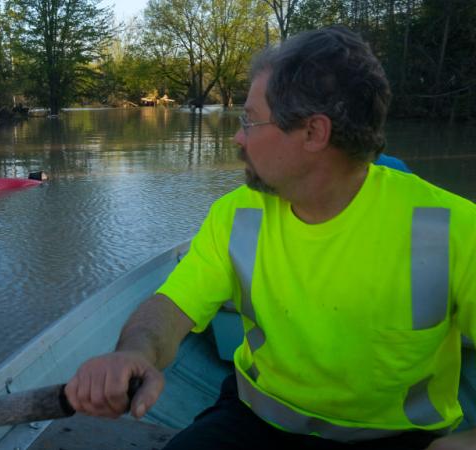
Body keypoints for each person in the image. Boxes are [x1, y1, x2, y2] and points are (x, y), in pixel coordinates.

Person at [64, 26, 476, 450]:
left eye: (250, 120)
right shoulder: (237, 215)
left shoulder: (453, 229)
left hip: (396, 440)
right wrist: (135, 353)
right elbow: (171, 306)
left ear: (313, 133)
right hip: (254, 420)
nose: (237, 137)